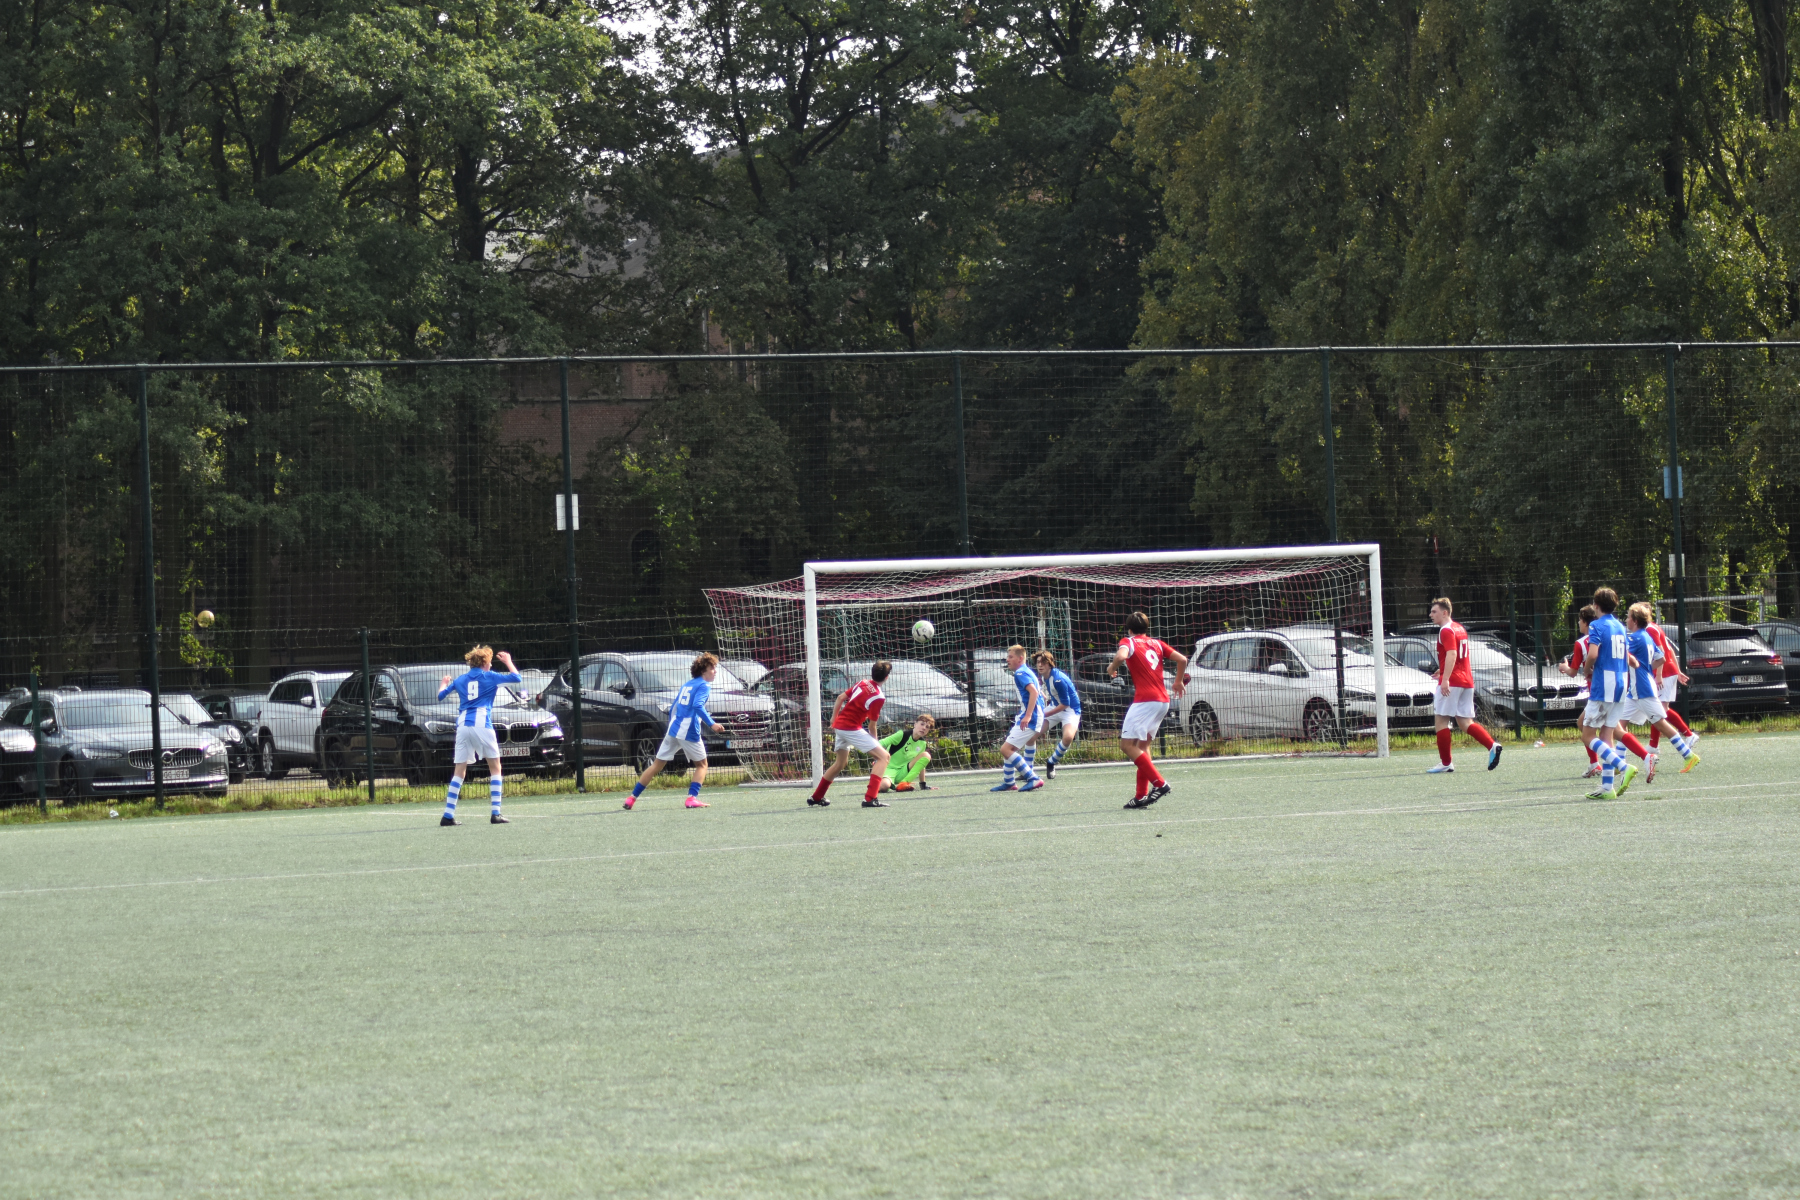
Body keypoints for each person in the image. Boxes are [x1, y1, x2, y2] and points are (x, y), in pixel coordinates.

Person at [624, 652, 724, 810]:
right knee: (702, 765)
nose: (715, 671)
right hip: (688, 730)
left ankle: (631, 798)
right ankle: (691, 798)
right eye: (712, 668)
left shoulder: (687, 685)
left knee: (656, 765)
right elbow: (698, 706)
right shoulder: (704, 686)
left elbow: (674, 708)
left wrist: (673, 725)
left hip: (674, 729)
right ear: (703, 670)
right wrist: (712, 724)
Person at [437, 645, 523, 826]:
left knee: (459, 771)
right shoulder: (489, 676)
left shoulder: (460, 679)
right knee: (495, 767)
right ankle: (496, 813)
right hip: (481, 723)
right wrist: (508, 661)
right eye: (490, 662)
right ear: (484, 662)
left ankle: (447, 815)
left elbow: (441, 696)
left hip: (462, 725)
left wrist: (444, 683)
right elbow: (517, 678)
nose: (491, 665)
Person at [1108, 611, 1187, 809]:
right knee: (1143, 747)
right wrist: (1178, 681)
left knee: (1127, 745)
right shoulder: (1157, 643)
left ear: (1129, 629)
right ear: (1146, 627)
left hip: (1145, 701)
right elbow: (1182, 660)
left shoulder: (1129, 641)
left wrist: (1111, 667)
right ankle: (1140, 796)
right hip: (1162, 701)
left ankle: (1160, 783)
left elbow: (1121, 655)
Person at [1622, 602, 1700, 779]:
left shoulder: (1636, 638)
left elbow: (1625, 656)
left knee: (1661, 723)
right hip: (1636, 691)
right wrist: (1646, 669)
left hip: (1642, 689)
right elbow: (1662, 658)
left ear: (1635, 620)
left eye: (1628, 617)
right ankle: (1620, 763)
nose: (1626, 620)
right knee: (1619, 725)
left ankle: (1688, 755)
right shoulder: (1646, 636)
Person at [1425, 598, 1501, 774]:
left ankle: (1446, 763)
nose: (1431, 614)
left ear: (1445, 612)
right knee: (1465, 722)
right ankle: (1492, 745)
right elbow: (1457, 657)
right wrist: (1442, 669)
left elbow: (1452, 654)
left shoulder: (1445, 630)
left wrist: (1445, 679)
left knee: (1441, 721)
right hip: (1466, 680)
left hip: (1453, 682)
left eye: (1434, 611)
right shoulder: (1459, 628)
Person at [1579, 587, 1639, 800]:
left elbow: (1593, 654)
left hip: (1604, 685)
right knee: (1606, 736)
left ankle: (1623, 766)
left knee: (1587, 735)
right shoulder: (1620, 626)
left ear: (1596, 606)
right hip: (1622, 683)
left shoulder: (1596, 625)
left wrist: (1586, 670)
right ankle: (1607, 787)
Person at [809, 661, 893, 808]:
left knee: (840, 763)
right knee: (884, 757)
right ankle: (870, 799)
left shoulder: (863, 682)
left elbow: (840, 698)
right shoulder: (878, 696)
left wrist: (834, 718)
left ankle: (816, 797)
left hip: (840, 726)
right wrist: (877, 748)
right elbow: (872, 726)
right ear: (886, 677)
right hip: (850, 728)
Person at [1641, 612, 1699, 762]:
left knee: (1659, 710)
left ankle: (1687, 735)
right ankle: (1655, 744)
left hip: (1665, 673)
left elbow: (1660, 652)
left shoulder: (1650, 629)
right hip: (1669, 671)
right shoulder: (1655, 627)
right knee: (1660, 710)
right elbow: (1670, 649)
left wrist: (1659, 674)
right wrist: (1678, 671)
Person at [993, 644, 1047, 792]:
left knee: (1006, 749)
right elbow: (1039, 692)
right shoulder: (1027, 671)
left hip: (1031, 717)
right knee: (1010, 747)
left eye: (1011, 657)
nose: (1007, 659)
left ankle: (1033, 778)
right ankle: (1009, 782)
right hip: (1033, 715)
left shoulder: (1020, 673)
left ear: (1020, 658)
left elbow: (1034, 692)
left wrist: (1028, 715)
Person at [1559, 606, 1603, 778]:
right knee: (1595, 727)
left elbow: (1572, 672)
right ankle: (1597, 764)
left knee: (1604, 731)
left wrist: (1564, 667)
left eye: (1579, 619)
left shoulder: (1582, 643)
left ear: (1584, 621)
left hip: (1598, 692)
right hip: (1614, 687)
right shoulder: (1605, 636)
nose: (1578, 623)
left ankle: (1628, 760)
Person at [1033, 651, 1082, 779]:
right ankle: (1027, 769)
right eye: (1038, 662)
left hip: (1070, 710)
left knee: (1068, 737)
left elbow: (1065, 704)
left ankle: (1051, 762)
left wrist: (1045, 713)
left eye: (1044, 662)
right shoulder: (1044, 676)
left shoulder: (1058, 679)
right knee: (1032, 733)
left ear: (1050, 664)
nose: (1040, 665)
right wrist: (1039, 692)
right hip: (1055, 706)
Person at [876, 714, 937, 792]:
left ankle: (904, 783)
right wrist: (878, 758)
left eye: (927, 727)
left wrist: (923, 784)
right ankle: (877, 783)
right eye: (922, 724)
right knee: (884, 786)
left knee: (926, 755)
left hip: (903, 772)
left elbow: (921, 765)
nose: (924, 728)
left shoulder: (922, 743)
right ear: (915, 724)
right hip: (889, 769)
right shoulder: (902, 735)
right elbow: (880, 743)